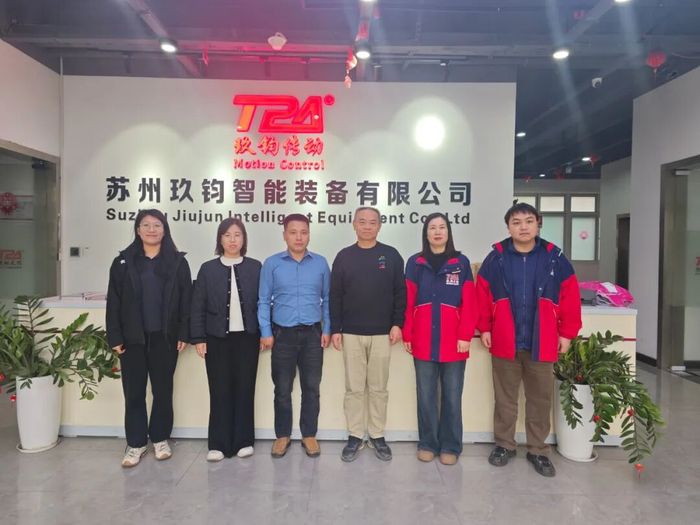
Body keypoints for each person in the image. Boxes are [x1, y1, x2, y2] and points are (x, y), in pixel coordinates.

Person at [477, 202, 582, 477]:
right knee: (505, 398)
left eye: (528, 221)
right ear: (508, 227)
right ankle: (504, 445)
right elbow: (482, 295)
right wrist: (485, 328)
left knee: (540, 399)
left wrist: (567, 333)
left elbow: (570, 297)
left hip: (542, 340)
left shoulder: (555, 258)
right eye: (516, 222)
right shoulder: (496, 259)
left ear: (538, 224)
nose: (523, 227)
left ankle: (538, 450)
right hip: (505, 339)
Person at [106, 209, 192, 468]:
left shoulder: (177, 262)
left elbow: (186, 301)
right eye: (146, 225)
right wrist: (115, 336)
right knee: (133, 392)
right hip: (132, 339)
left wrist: (184, 332)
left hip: (165, 338)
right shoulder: (123, 262)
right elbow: (114, 302)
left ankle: (160, 438)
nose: (151, 229)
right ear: (137, 230)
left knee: (163, 391)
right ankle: (135, 443)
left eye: (157, 225)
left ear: (165, 230)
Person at [330, 207, 406, 462]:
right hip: (351, 333)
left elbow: (400, 293)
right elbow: (335, 295)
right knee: (353, 389)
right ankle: (355, 435)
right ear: (354, 224)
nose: (367, 226)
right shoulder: (344, 256)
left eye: (372, 222)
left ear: (379, 226)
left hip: (382, 333)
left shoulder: (391, 255)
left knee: (378, 388)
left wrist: (397, 324)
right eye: (362, 222)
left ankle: (376, 434)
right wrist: (336, 328)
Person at [402, 212, 477, 465]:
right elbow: (408, 301)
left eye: (441, 227)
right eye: (432, 227)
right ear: (426, 233)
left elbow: (470, 303)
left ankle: (451, 446)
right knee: (426, 396)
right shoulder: (415, 263)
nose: (437, 231)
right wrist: (408, 332)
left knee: (452, 397)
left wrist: (465, 334)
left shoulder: (461, 263)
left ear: (448, 232)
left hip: (454, 340)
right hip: (423, 338)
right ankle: (427, 443)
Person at [258, 213, 331, 458]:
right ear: (284, 235)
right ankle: (282, 436)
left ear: (309, 235)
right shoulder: (272, 264)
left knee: (312, 387)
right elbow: (263, 300)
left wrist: (327, 329)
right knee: (282, 389)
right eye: (293, 232)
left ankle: (309, 434)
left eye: (304, 232)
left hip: (312, 334)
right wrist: (266, 332)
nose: (299, 237)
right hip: (282, 335)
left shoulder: (320, 263)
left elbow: (328, 299)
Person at [190, 218, 262, 462]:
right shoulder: (208, 269)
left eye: (237, 235)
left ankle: (244, 441)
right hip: (216, 338)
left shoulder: (255, 267)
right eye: (227, 235)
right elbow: (197, 305)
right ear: (220, 239)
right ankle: (218, 444)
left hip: (248, 338)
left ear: (244, 239)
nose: (233, 240)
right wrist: (199, 337)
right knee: (219, 389)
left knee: (245, 389)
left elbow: (263, 304)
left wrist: (265, 332)